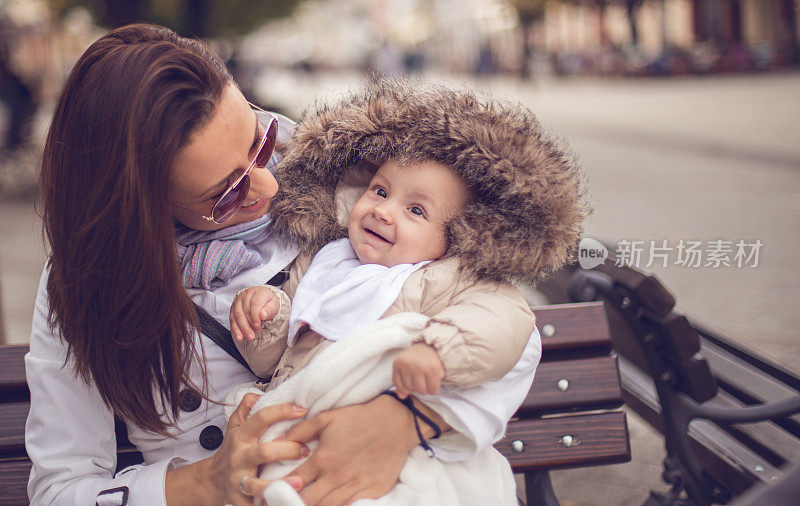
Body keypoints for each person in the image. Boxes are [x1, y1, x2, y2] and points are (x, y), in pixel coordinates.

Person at [24, 24, 543, 506]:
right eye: (225, 194)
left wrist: (402, 421)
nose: (270, 185)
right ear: (141, 210)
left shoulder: (346, 186)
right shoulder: (83, 287)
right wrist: (203, 482)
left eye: (260, 141)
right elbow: (61, 489)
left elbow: (500, 326)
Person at [224, 79, 591, 503]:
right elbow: (278, 358)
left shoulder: (445, 277)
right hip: (305, 429)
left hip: (394, 445)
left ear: (458, 235)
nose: (382, 210)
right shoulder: (325, 262)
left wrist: (440, 350)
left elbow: (505, 320)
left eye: (416, 210)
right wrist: (265, 316)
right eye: (379, 191)